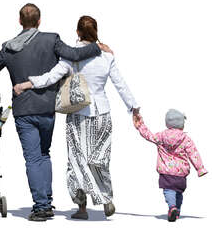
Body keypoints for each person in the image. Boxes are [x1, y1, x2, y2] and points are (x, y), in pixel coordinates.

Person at [0, 4, 112, 221]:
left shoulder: (9, 48)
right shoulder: (51, 39)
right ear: (39, 21)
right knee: (44, 155)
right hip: (47, 109)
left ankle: (41, 206)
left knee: (33, 158)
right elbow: (74, 54)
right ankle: (47, 200)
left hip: (24, 110)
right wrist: (97, 47)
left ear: (19, 22)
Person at [14, 15, 140, 220]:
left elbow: (51, 77)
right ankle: (106, 198)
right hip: (103, 114)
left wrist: (27, 83)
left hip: (78, 114)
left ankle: (82, 209)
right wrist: (134, 109)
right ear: (96, 31)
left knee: (77, 161)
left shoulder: (70, 57)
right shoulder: (107, 56)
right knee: (100, 159)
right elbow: (120, 84)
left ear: (78, 32)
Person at [133, 109, 208, 222]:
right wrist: (200, 169)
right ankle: (177, 210)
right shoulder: (186, 139)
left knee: (168, 190)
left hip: (166, 171)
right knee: (178, 192)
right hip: (181, 173)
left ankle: (172, 207)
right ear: (181, 125)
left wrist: (140, 125)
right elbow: (194, 153)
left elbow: (148, 135)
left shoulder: (161, 136)